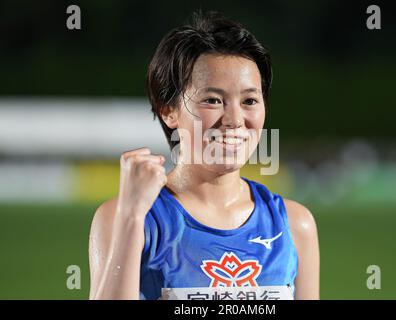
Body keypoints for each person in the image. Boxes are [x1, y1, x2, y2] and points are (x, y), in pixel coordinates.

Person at [88, 10, 319, 300]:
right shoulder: (128, 218)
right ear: (167, 109)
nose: (234, 119)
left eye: (249, 100)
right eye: (213, 100)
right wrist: (132, 216)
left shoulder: (295, 225)